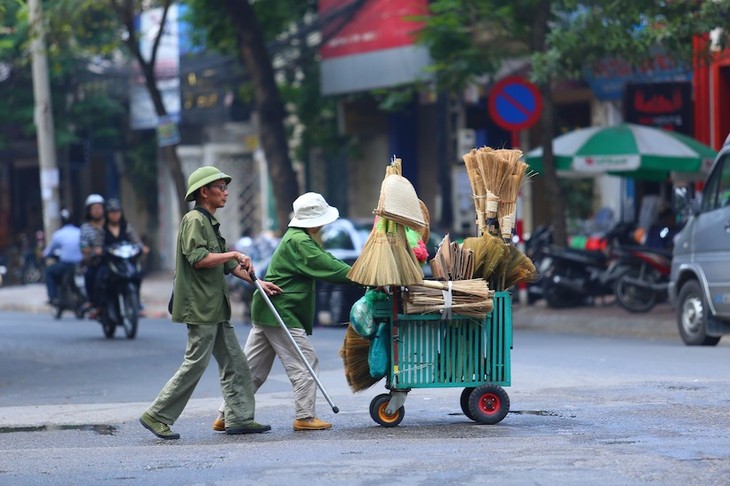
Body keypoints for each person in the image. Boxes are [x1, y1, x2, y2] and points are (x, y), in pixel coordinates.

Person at [140, 166, 282, 440]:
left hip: (216, 307)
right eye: (221, 187)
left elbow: (228, 264)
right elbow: (199, 258)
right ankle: (157, 415)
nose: (225, 192)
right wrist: (235, 253)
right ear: (204, 192)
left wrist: (257, 282)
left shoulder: (209, 221)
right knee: (194, 363)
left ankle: (239, 418)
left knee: (236, 363)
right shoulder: (194, 219)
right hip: (201, 306)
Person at [213, 192, 355, 432]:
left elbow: (325, 259)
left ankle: (226, 414)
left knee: (252, 370)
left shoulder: (298, 238)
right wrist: (361, 275)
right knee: (304, 362)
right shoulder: (299, 241)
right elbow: (327, 266)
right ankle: (305, 416)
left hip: (268, 308)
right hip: (280, 311)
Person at [101, 198, 150, 313]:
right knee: (102, 277)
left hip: (125, 261)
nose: (114, 215)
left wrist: (142, 247)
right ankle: (104, 305)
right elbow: (98, 244)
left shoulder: (126, 227)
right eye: (112, 212)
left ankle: (136, 301)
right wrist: (99, 250)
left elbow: (136, 240)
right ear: (107, 214)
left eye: (117, 212)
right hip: (110, 262)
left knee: (137, 274)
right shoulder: (103, 230)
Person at [42, 209, 83, 305]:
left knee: (49, 272)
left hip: (66, 264)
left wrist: (44, 255)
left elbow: (49, 251)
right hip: (80, 264)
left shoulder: (59, 234)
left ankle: (53, 297)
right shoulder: (80, 232)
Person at [79, 194, 106, 315]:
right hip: (95, 261)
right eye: (94, 208)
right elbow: (83, 247)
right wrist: (93, 250)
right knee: (90, 275)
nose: (97, 211)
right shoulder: (85, 228)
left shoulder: (110, 224)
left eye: (99, 208)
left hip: (112, 259)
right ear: (89, 211)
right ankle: (93, 302)